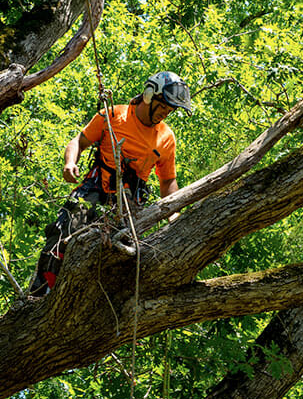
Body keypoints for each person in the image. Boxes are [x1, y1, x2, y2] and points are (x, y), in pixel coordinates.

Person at [29, 71, 192, 297]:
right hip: (95, 189)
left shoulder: (166, 138)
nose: (165, 113)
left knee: (121, 258)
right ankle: (39, 295)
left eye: (170, 109)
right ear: (148, 95)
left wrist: (174, 214)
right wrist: (69, 163)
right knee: (61, 235)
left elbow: (168, 181)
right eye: (163, 106)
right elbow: (79, 141)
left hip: (129, 203)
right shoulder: (114, 115)